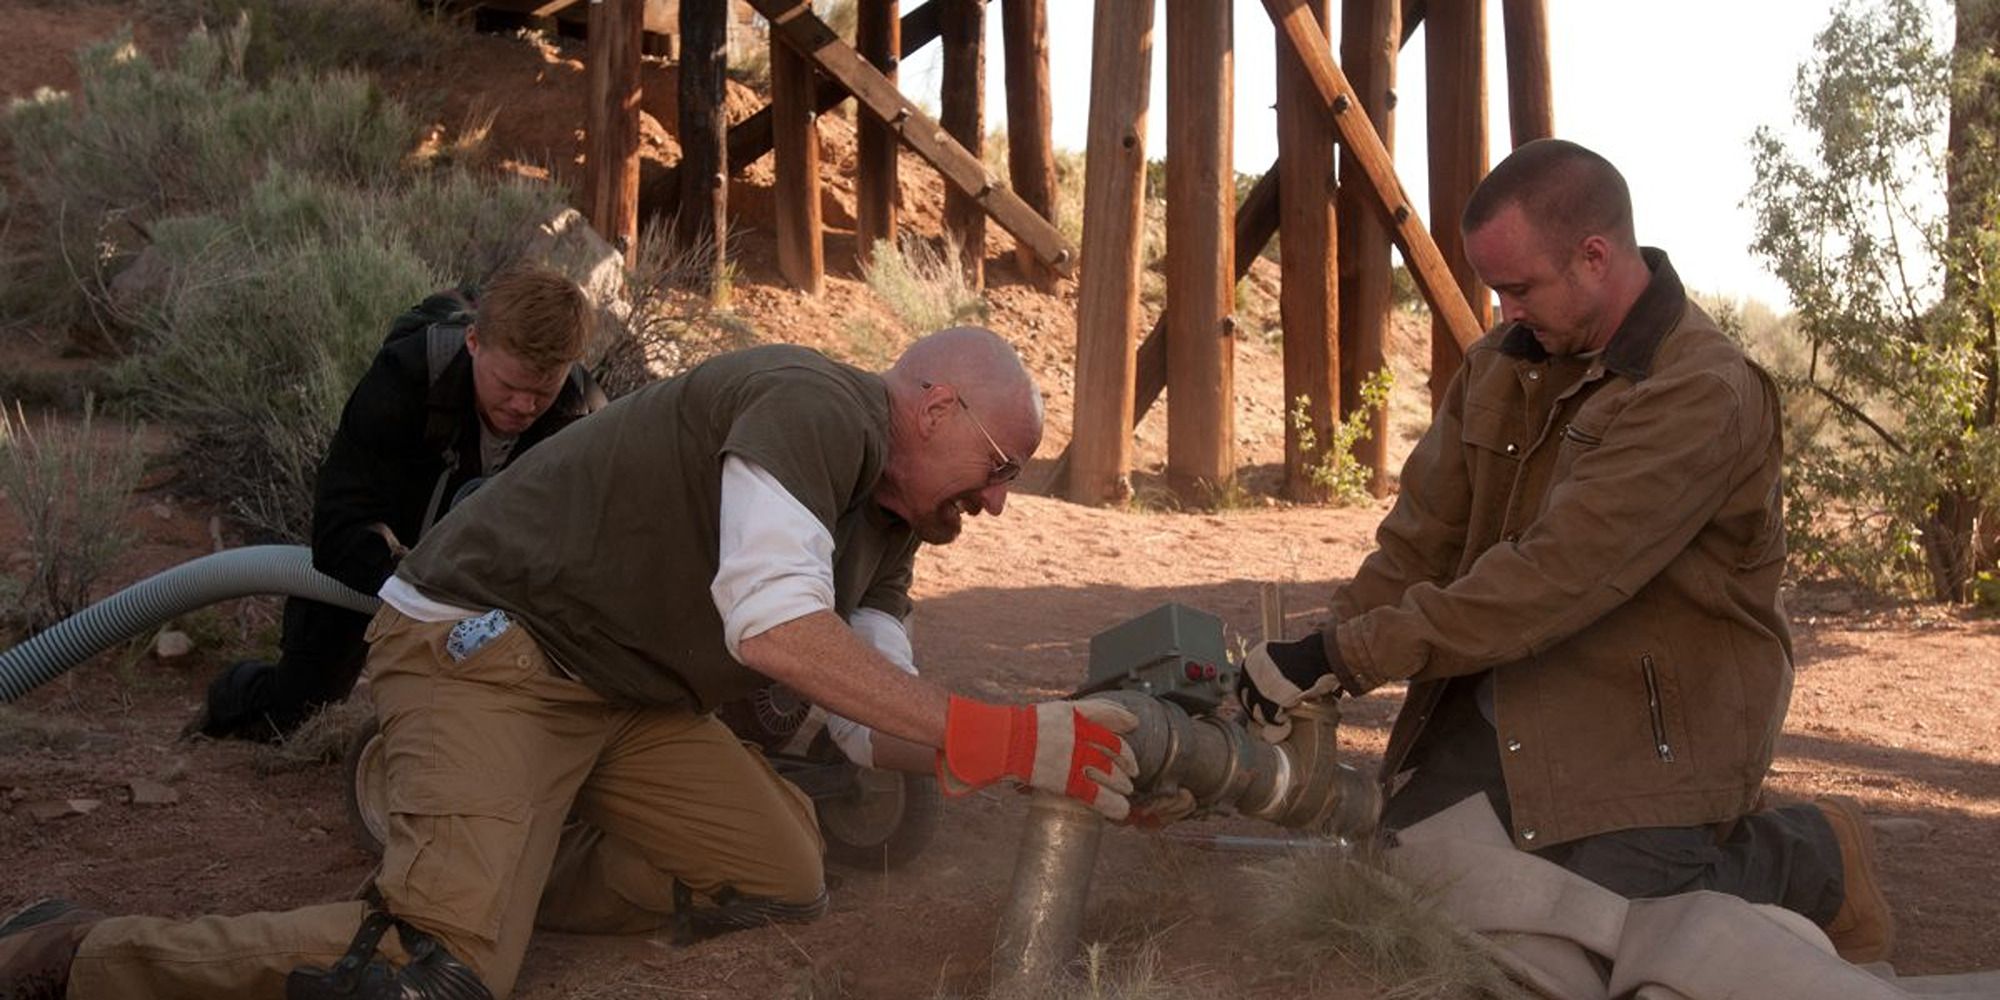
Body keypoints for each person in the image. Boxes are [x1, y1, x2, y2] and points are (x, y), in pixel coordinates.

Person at [0, 326, 1137, 1000]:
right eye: (997, 466)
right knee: (437, 969)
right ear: (934, 407)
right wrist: (994, 733)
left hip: (623, 695)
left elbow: (862, 713)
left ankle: (487, 861)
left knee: (779, 870)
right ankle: (74, 954)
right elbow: (773, 630)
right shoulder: (818, 405)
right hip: (484, 647)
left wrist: (1009, 755)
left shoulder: (893, 521)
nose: (995, 501)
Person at [1236, 139, 1894, 963]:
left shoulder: (1701, 392)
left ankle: (1810, 856)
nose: (1505, 311)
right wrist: (1317, 665)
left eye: (1519, 287)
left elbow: (1554, 575)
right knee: (1401, 906)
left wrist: (1348, 651)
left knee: (1613, 941)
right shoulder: (1496, 366)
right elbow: (1419, 542)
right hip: (1503, 698)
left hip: (1649, 737)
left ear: (1594, 257)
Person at [191, 264, 607, 743]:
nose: (521, 407)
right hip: (381, 558)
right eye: (508, 386)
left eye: (541, 392)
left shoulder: (582, 415)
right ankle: (229, 699)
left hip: (488, 584)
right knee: (296, 711)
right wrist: (416, 592)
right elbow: (338, 525)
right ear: (473, 343)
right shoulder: (405, 377)